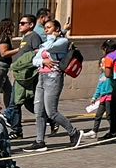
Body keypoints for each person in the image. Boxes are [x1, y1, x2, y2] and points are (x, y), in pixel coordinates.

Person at [31, 20, 82, 150]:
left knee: (51, 112)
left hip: (53, 78)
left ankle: (73, 132)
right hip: (41, 77)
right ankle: (39, 141)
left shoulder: (62, 42)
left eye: (49, 27)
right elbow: (34, 60)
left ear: (56, 29)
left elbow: (50, 48)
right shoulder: (46, 42)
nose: (46, 30)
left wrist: (60, 34)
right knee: (39, 112)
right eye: (45, 28)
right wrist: (43, 61)